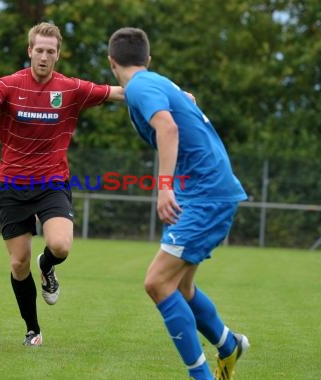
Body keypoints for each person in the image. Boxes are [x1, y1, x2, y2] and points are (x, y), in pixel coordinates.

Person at [0, 22, 125, 347]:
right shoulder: (9, 85)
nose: (44, 56)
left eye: (51, 51)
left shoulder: (71, 88)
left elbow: (118, 92)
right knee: (18, 263)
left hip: (52, 182)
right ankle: (32, 329)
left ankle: (47, 266)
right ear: (29, 51)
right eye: (39, 50)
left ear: (58, 54)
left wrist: (168, 95)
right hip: (12, 185)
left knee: (60, 245)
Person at [107, 27, 249, 380]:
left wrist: (164, 187)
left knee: (156, 282)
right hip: (203, 190)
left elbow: (167, 128)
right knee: (181, 288)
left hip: (204, 194)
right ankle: (229, 344)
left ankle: (200, 376)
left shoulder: (142, 87)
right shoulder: (155, 83)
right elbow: (176, 102)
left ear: (111, 62)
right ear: (148, 60)